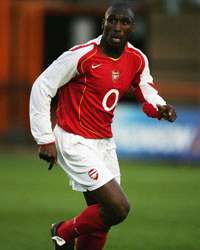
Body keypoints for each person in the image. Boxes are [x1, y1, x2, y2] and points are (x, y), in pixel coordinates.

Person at [29, 2, 177, 250]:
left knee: (102, 217)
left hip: (104, 142)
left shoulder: (137, 59)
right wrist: (45, 138)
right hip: (74, 139)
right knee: (118, 207)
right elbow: (42, 86)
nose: (117, 27)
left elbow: (145, 89)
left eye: (124, 22)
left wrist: (160, 106)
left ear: (133, 27)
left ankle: (65, 236)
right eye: (112, 20)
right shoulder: (81, 55)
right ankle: (62, 232)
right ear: (104, 23)